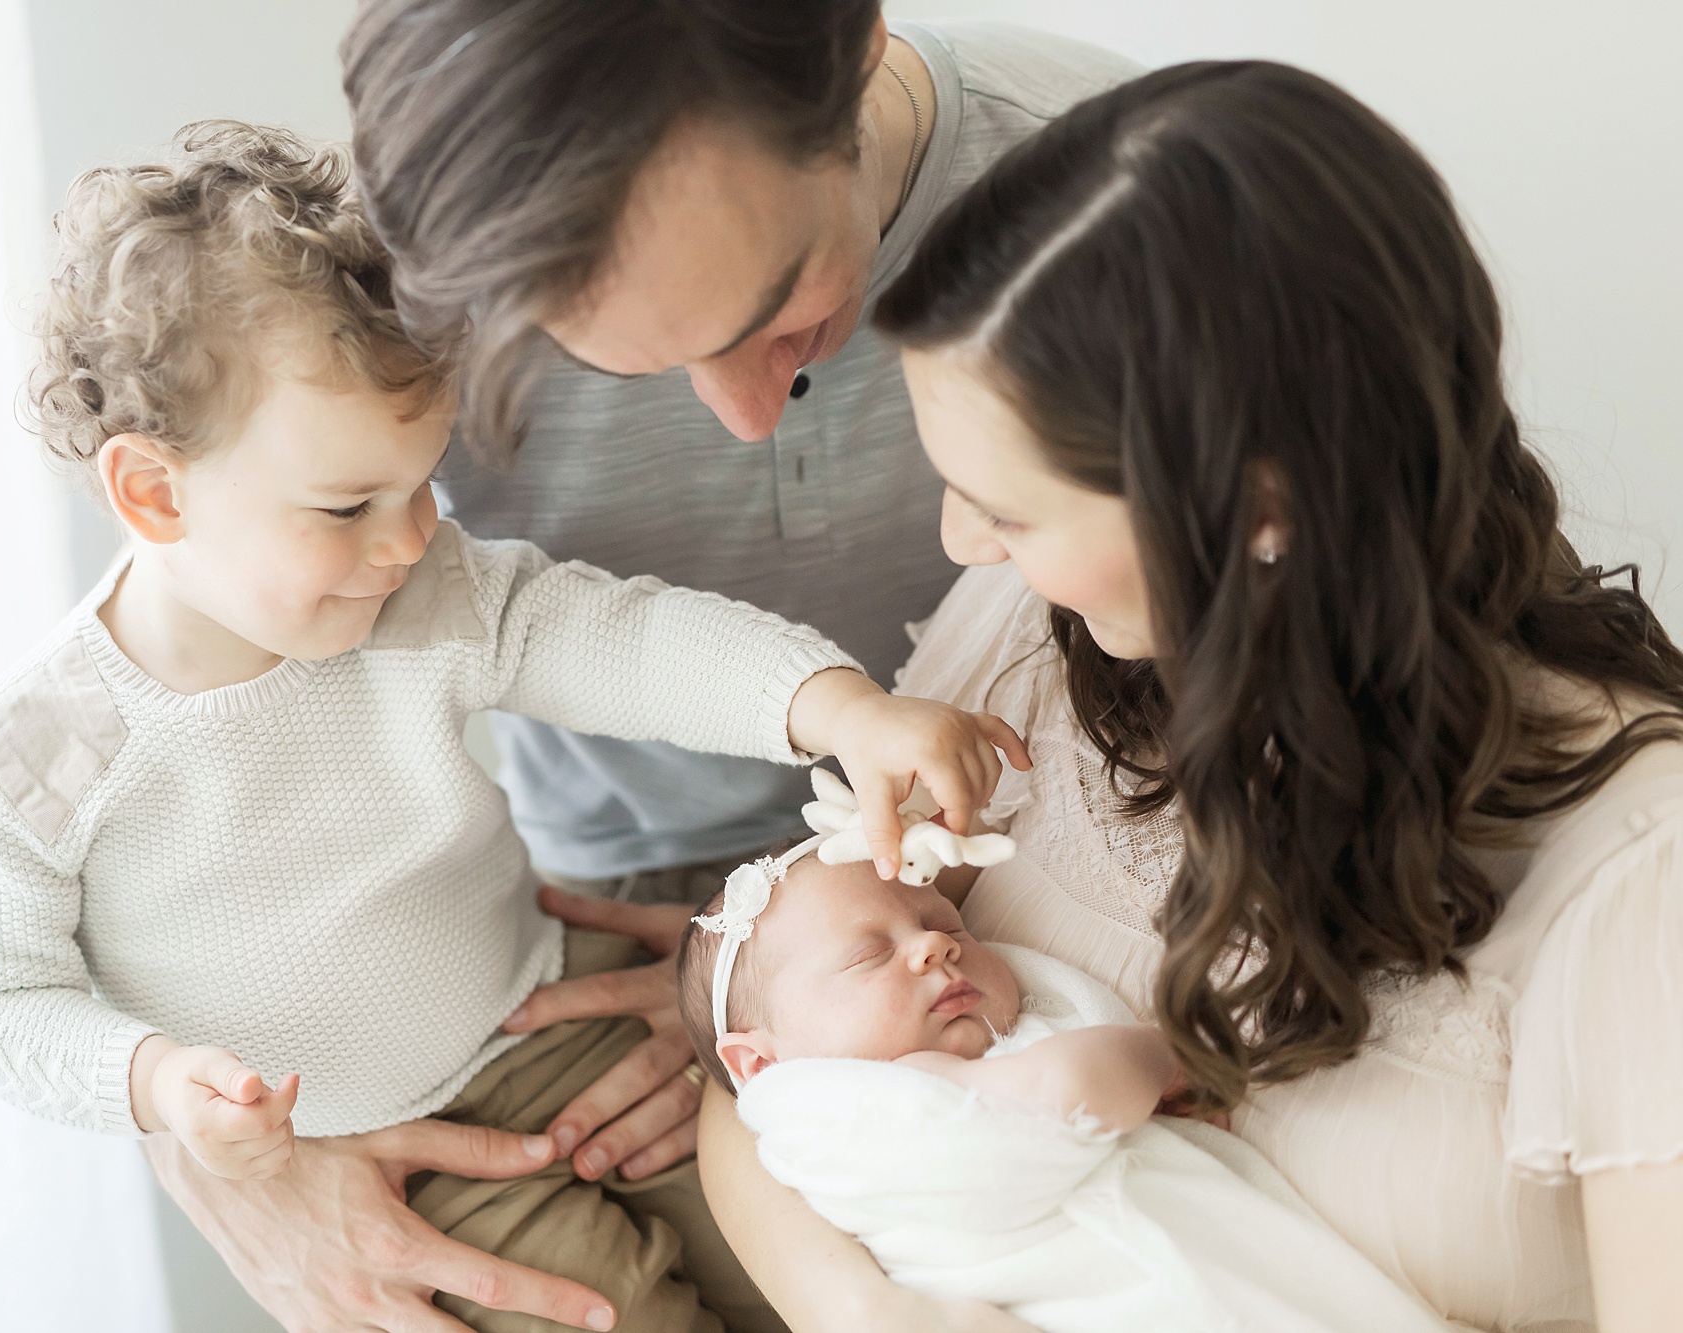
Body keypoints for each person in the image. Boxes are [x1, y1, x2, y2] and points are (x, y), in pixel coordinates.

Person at [0, 122, 1020, 1333]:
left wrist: (836, 707)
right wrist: (152, 1081)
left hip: (554, 1011)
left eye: (422, 485)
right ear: (152, 490)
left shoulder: (422, 592)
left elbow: (618, 640)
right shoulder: (30, 756)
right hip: (387, 1151)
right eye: (347, 505)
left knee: (843, 1242)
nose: (404, 541)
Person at [693, 61, 1683, 1333]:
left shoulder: (1638, 887)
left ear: (1253, 508)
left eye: (1004, 504)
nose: (959, 544)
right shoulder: (1048, 635)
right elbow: (767, 1084)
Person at [674, 838, 1451, 1333]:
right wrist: (1162, 1056)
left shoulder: (952, 1054)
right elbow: (1053, 1104)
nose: (934, 948)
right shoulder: (849, 1110)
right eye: (868, 956)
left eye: (948, 924)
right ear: (760, 1066)